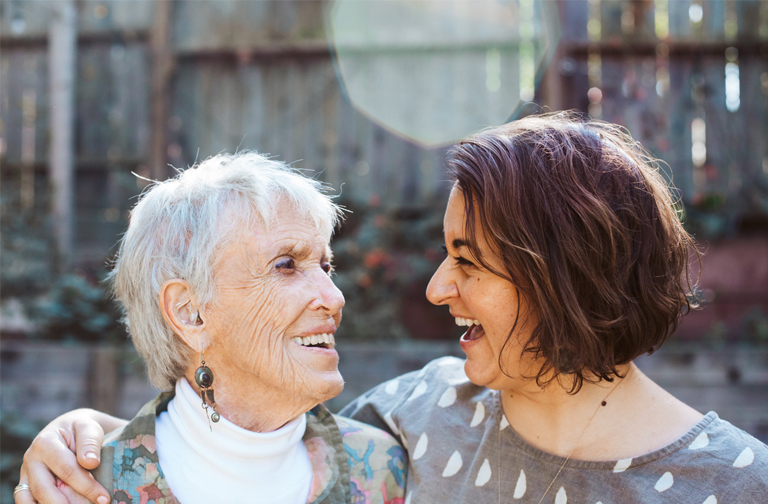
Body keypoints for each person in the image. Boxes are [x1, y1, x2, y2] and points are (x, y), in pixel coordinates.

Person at [18, 113, 768, 503]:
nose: (437, 287)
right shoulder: (417, 420)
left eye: (467, 261)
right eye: (288, 265)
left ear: (569, 277)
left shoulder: (738, 485)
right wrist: (85, 441)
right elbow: (246, 436)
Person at [14, 152, 406, 504]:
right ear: (190, 313)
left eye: (325, 266)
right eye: (285, 265)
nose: (334, 297)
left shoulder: (381, 472)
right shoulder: (81, 492)